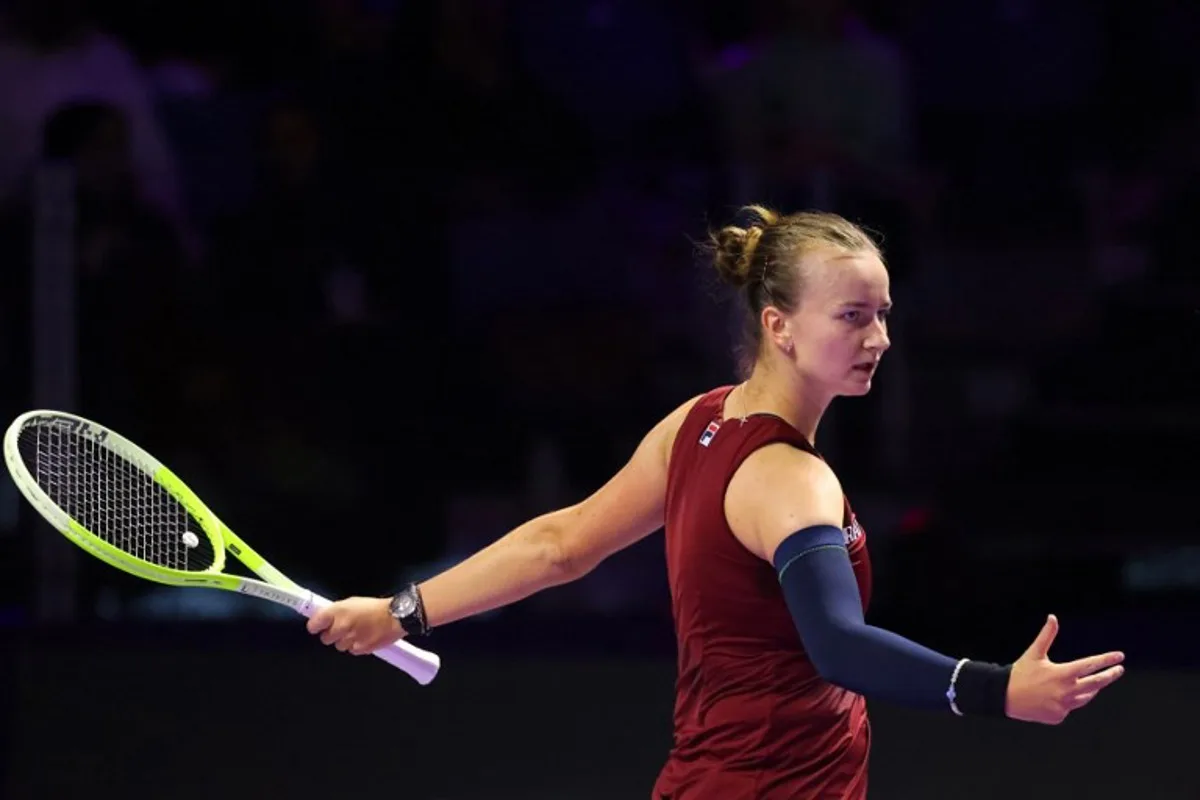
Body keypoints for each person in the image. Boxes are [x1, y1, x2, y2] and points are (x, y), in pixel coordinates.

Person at [306, 206, 1126, 798]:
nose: (877, 338)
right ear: (780, 325)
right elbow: (838, 645)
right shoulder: (790, 478)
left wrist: (401, 611)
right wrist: (995, 690)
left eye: (882, 315)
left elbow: (562, 546)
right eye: (851, 316)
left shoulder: (698, 423)